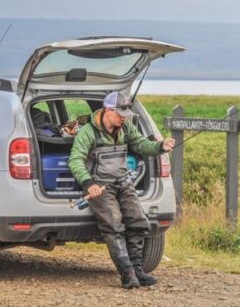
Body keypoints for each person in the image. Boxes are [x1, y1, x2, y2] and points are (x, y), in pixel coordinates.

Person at [68, 91, 176, 289]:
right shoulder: (88, 132)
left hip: (123, 182)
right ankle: (127, 274)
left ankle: (138, 271)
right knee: (114, 224)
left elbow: (142, 145)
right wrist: (89, 184)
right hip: (100, 186)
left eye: (126, 114)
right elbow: (75, 160)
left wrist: (160, 146)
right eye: (120, 114)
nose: (124, 118)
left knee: (139, 222)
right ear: (108, 110)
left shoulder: (126, 127)